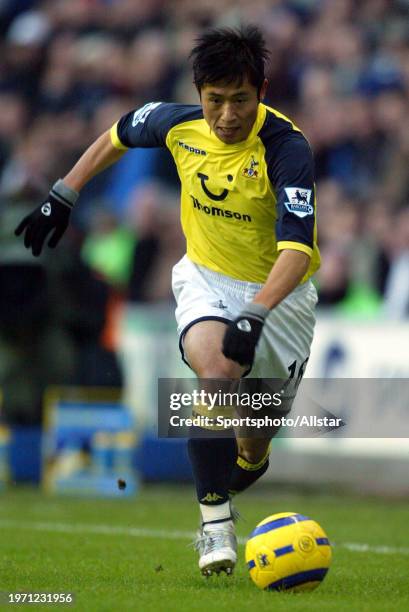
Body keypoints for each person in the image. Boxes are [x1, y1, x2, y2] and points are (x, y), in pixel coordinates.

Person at [15, 26, 320, 577]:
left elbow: (297, 250)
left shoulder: (286, 148)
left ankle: (252, 457)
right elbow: (116, 135)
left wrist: (256, 313)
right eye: (215, 101)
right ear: (198, 93)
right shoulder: (175, 123)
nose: (227, 115)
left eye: (241, 100)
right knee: (216, 374)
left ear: (263, 90)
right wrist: (65, 192)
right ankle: (215, 525)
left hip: (281, 295)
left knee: (253, 435)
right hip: (205, 278)